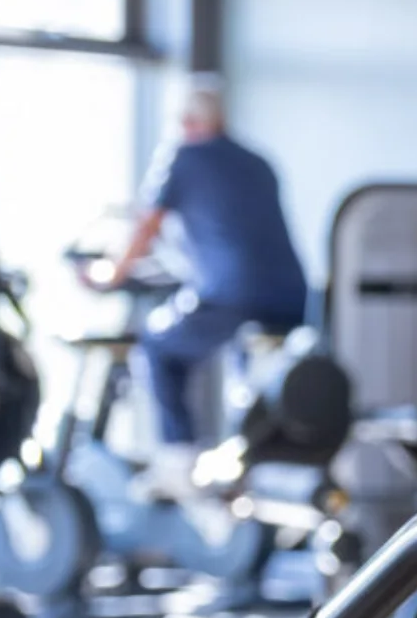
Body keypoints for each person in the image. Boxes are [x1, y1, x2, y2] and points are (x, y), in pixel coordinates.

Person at [98, 79, 309, 483]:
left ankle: (179, 463)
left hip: (232, 295)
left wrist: (110, 273)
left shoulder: (183, 157)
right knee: (244, 365)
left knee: (156, 348)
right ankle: (244, 467)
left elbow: (144, 230)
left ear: (186, 120)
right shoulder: (258, 161)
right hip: (292, 297)